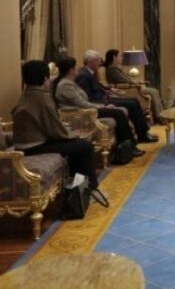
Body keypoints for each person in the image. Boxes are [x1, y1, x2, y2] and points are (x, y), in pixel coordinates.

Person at [11, 60, 107, 203]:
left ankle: (77, 188)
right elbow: (55, 131)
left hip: (23, 144)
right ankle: (89, 189)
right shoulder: (42, 97)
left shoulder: (26, 94)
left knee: (76, 146)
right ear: (45, 78)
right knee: (84, 147)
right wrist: (74, 134)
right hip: (34, 146)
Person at [53, 56, 144, 157]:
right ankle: (130, 147)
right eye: (75, 67)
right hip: (83, 113)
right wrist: (102, 106)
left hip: (87, 109)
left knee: (118, 112)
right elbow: (82, 104)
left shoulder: (69, 82)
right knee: (118, 113)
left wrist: (103, 105)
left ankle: (127, 146)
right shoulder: (65, 85)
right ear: (71, 70)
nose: (77, 69)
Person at [75, 50, 157, 143]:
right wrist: (104, 104)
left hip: (104, 98)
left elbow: (98, 86)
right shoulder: (83, 75)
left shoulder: (89, 72)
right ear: (91, 61)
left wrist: (110, 89)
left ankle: (143, 133)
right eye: (98, 60)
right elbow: (87, 96)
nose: (100, 63)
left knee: (134, 101)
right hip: (101, 102)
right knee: (131, 104)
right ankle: (140, 137)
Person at [103, 49, 164, 122]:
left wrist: (137, 82)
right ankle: (159, 116)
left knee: (155, 91)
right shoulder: (112, 68)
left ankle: (161, 115)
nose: (121, 58)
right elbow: (124, 80)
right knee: (153, 91)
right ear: (114, 57)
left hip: (131, 87)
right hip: (128, 89)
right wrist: (135, 84)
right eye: (120, 56)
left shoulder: (115, 67)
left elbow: (126, 79)